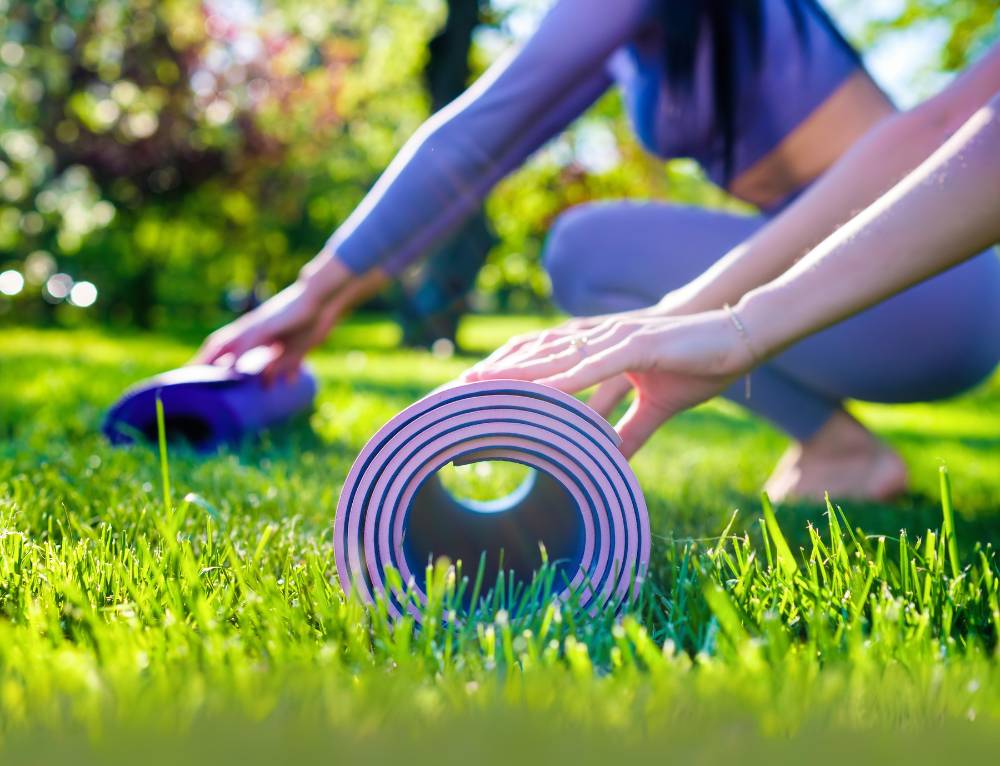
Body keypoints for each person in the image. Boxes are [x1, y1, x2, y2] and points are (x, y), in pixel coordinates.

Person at [466, 67, 1000, 501]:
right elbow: (941, 123)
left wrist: (729, 323)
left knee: (583, 248)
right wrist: (735, 326)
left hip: (929, 289)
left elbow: (947, 133)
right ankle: (836, 448)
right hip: (941, 278)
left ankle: (840, 448)